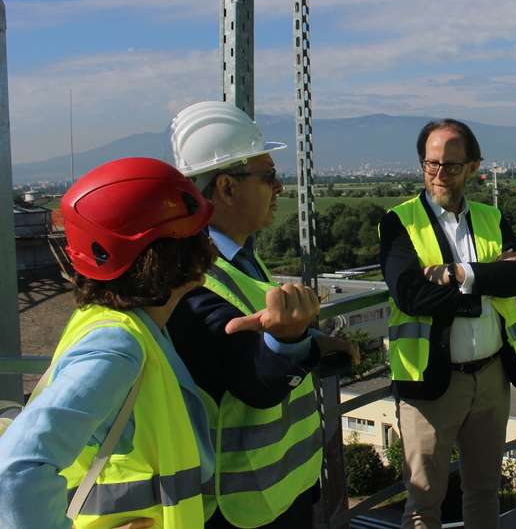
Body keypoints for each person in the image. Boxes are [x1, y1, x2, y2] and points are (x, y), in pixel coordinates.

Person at [166, 101, 359, 529]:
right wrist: (288, 340)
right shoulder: (188, 281)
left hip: (280, 492)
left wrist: (310, 342)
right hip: (241, 509)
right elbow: (248, 376)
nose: (280, 187)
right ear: (226, 188)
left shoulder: (239, 259)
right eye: (268, 175)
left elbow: (254, 333)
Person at [0, 157, 217, 529]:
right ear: (166, 253)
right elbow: (14, 472)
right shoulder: (116, 346)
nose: (209, 243)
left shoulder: (132, 326)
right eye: (198, 231)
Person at [379, 119, 516, 529]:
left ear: (473, 167)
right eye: (431, 164)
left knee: (484, 490)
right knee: (423, 502)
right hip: (430, 384)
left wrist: (458, 274)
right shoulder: (399, 222)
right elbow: (410, 295)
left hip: (492, 377)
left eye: (451, 165)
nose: (439, 174)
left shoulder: (491, 217)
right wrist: (486, 281)